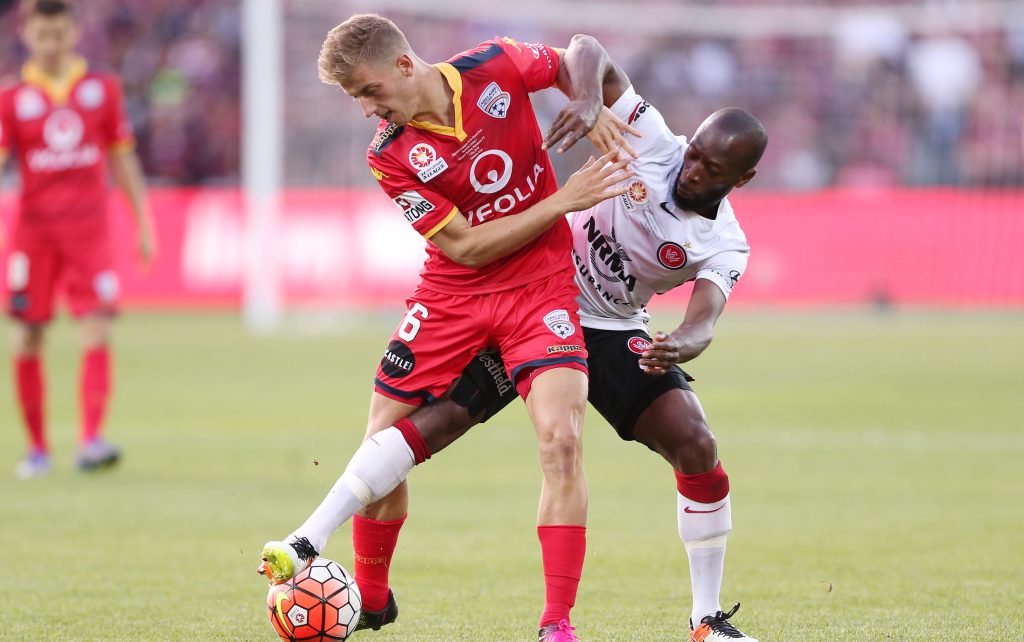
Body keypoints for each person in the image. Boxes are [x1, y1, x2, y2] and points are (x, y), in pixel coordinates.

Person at [270, 39, 767, 642]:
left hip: (605, 324)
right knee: (410, 431)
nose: (692, 170)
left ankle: (699, 620)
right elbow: (586, 51)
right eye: (694, 155)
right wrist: (588, 101)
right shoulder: (652, 140)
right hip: (519, 289)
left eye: (711, 170)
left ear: (742, 179)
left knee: (689, 443)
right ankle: (357, 583)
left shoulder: (725, 244)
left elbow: (705, 317)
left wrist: (682, 343)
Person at [0, 0, 156, 479]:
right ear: (27, 34)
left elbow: (122, 158)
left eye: (59, 34)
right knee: (27, 336)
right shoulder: (12, 97)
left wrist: (143, 221)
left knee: (97, 327)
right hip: (33, 235)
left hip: (89, 233)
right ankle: (38, 450)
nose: (51, 44)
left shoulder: (101, 89)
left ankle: (90, 441)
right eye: (42, 35)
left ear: (73, 33)